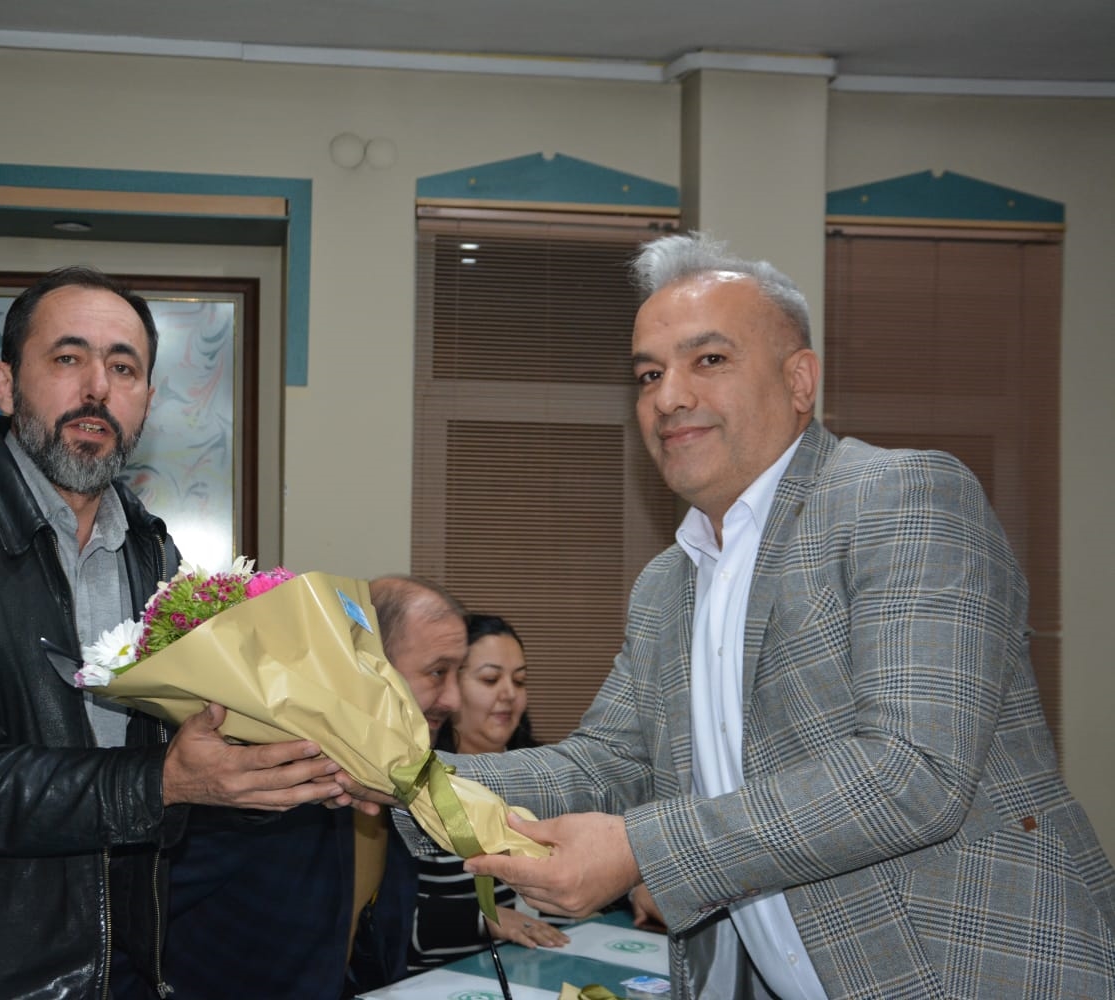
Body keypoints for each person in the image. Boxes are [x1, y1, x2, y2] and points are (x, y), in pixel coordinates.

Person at [413, 232, 1115, 999]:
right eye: (649, 374)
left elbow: (913, 771)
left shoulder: (899, 497)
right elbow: (608, 767)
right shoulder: (666, 585)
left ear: (799, 380)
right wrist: (402, 774)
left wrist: (641, 849)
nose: (668, 397)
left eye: (708, 360)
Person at [0, 266, 342, 1000]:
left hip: (113, 964)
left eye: (124, 368)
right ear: (5, 385)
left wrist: (298, 766)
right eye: (68, 358)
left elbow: (186, 746)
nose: (97, 388)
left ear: (145, 400)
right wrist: (164, 781)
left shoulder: (152, 551)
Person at [161, 573, 467, 998]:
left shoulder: (403, 773)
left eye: (459, 672)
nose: (454, 699)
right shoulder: (264, 777)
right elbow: (142, 917)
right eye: (437, 672)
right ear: (367, 665)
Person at [409, 613, 571, 971]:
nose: (509, 694)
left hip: (548, 970)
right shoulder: (413, 782)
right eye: (490, 679)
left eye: (520, 680)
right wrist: (485, 918)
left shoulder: (549, 777)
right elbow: (387, 921)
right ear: (449, 688)